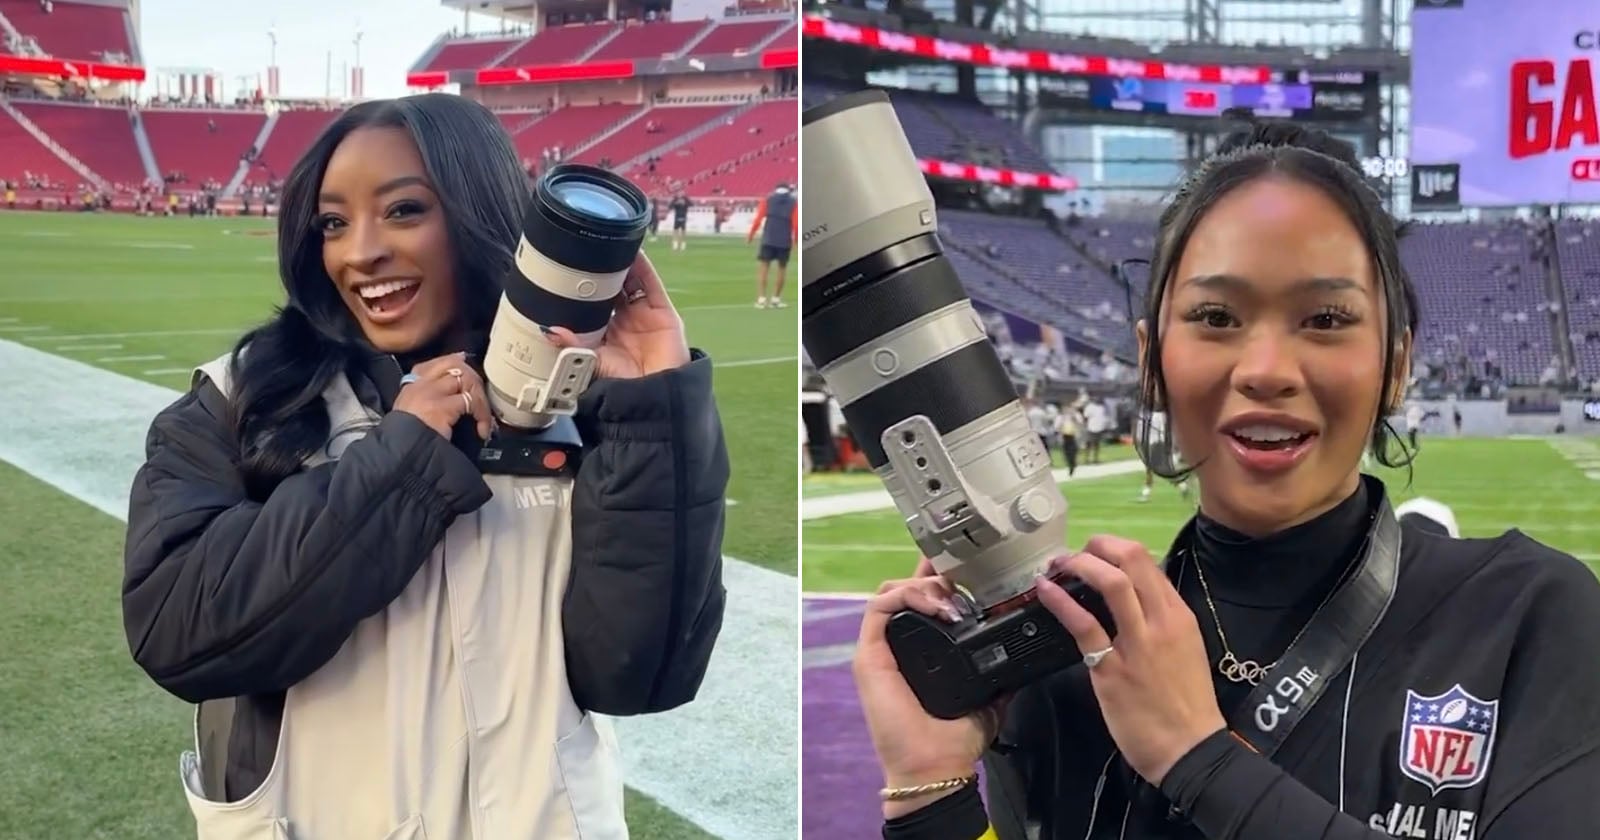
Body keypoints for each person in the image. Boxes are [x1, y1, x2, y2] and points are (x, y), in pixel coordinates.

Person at [853, 121, 1600, 839]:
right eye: (1215, 315)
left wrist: (1202, 763)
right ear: (1153, 360)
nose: (1266, 370)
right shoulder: (1068, 664)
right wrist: (931, 793)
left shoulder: (1527, 619)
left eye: (1326, 318)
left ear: (1397, 362)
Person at [121, 94, 729, 840]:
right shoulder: (239, 400)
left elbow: (639, 673)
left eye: (404, 211)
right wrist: (400, 461)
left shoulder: (584, 405)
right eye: (333, 223)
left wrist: (650, 414)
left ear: (482, 214)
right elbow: (180, 633)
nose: (360, 251)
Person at [747, 180, 797, 308]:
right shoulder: (794, 202)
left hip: (768, 238)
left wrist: (751, 235)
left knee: (764, 268)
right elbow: (796, 224)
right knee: (782, 269)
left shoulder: (768, 200)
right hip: (784, 240)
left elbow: (758, 219)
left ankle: (762, 299)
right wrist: (796, 240)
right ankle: (776, 299)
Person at [1137, 407, 1190, 503]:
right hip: (1158, 444)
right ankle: (1183, 486)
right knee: (1164, 471)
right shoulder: (1161, 415)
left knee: (1152, 470)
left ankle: (1145, 494)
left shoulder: (1154, 415)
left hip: (1155, 444)